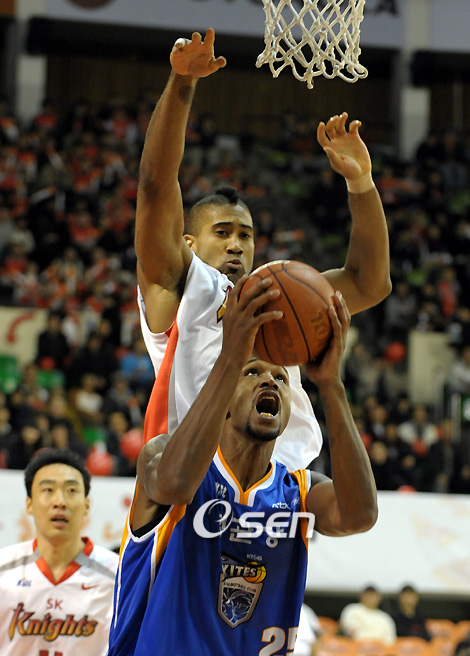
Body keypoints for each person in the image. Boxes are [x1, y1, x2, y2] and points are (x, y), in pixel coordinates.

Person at [135, 28, 391, 470]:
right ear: (189, 242)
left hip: (279, 480)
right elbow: (156, 187)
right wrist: (182, 83)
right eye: (222, 232)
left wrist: (361, 183)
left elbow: (370, 283)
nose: (236, 244)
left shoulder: (275, 293)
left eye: (246, 235)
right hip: (195, 475)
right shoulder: (180, 284)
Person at [107, 275, 378, 655]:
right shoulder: (163, 456)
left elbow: (360, 515)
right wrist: (231, 356)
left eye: (281, 378)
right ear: (224, 400)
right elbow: (176, 486)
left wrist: (332, 385)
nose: (270, 380)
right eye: (252, 372)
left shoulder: (298, 491)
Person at [0, 448, 118, 655]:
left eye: (71, 490)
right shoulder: (3, 568)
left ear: (87, 505)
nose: (60, 502)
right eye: (48, 490)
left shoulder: (118, 576)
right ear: (29, 504)